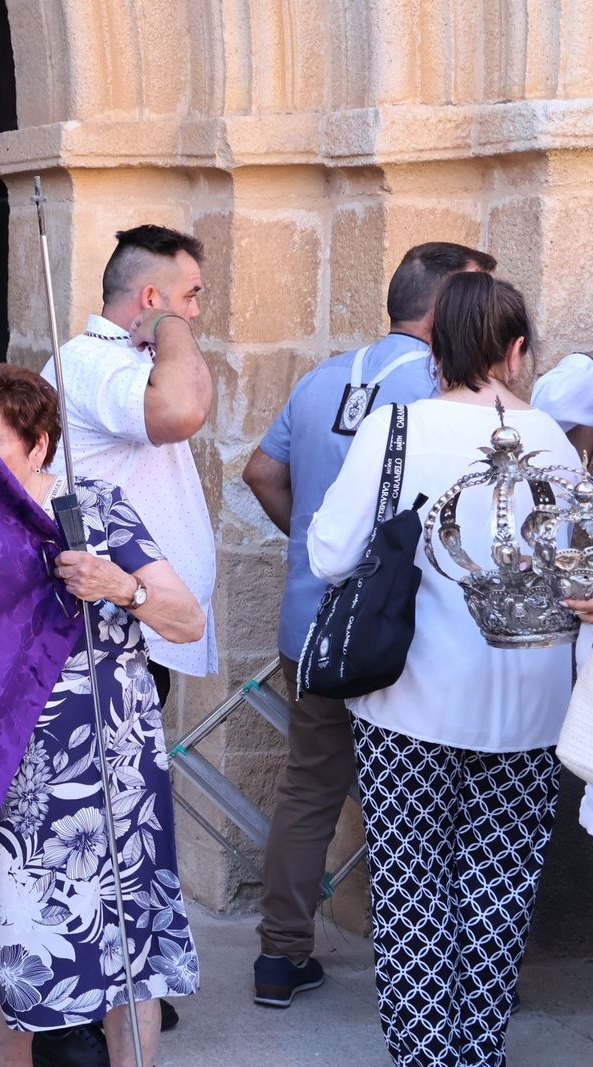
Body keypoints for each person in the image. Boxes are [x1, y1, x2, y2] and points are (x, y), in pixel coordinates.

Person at [309, 273, 574, 1067]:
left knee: (411, 878)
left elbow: (330, 553)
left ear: (435, 346)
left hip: (411, 698)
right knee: (500, 883)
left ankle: (427, 1053)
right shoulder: (557, 442)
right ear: (517, 351)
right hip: (532, 704)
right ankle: (478, 1050)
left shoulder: (397, 426)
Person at [240, 241, 495, 1007]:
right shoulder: (446, 390)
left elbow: (261, 471)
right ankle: (442, 968)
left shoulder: (325, 376)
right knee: (429, 800)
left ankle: (280, 955)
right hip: (410, 634)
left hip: (314, 625)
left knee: (310, 788)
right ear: (446, 307)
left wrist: (316, 547)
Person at [0, 364, 204, 1067]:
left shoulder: (92, 509)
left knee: (129, 953)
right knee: (9, 948)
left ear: (38, 446)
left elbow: (187, 620)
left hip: (110, 770)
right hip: (6, 773)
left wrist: (121, 586)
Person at [39, 225, 217, 707]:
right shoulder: (93, 360)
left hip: (139, 620)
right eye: (190, 296)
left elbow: (195, 400)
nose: (195, 311)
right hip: (111, 629)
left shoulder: (127, 358)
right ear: (152, 297)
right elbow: (182, 411)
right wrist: (169, 324)